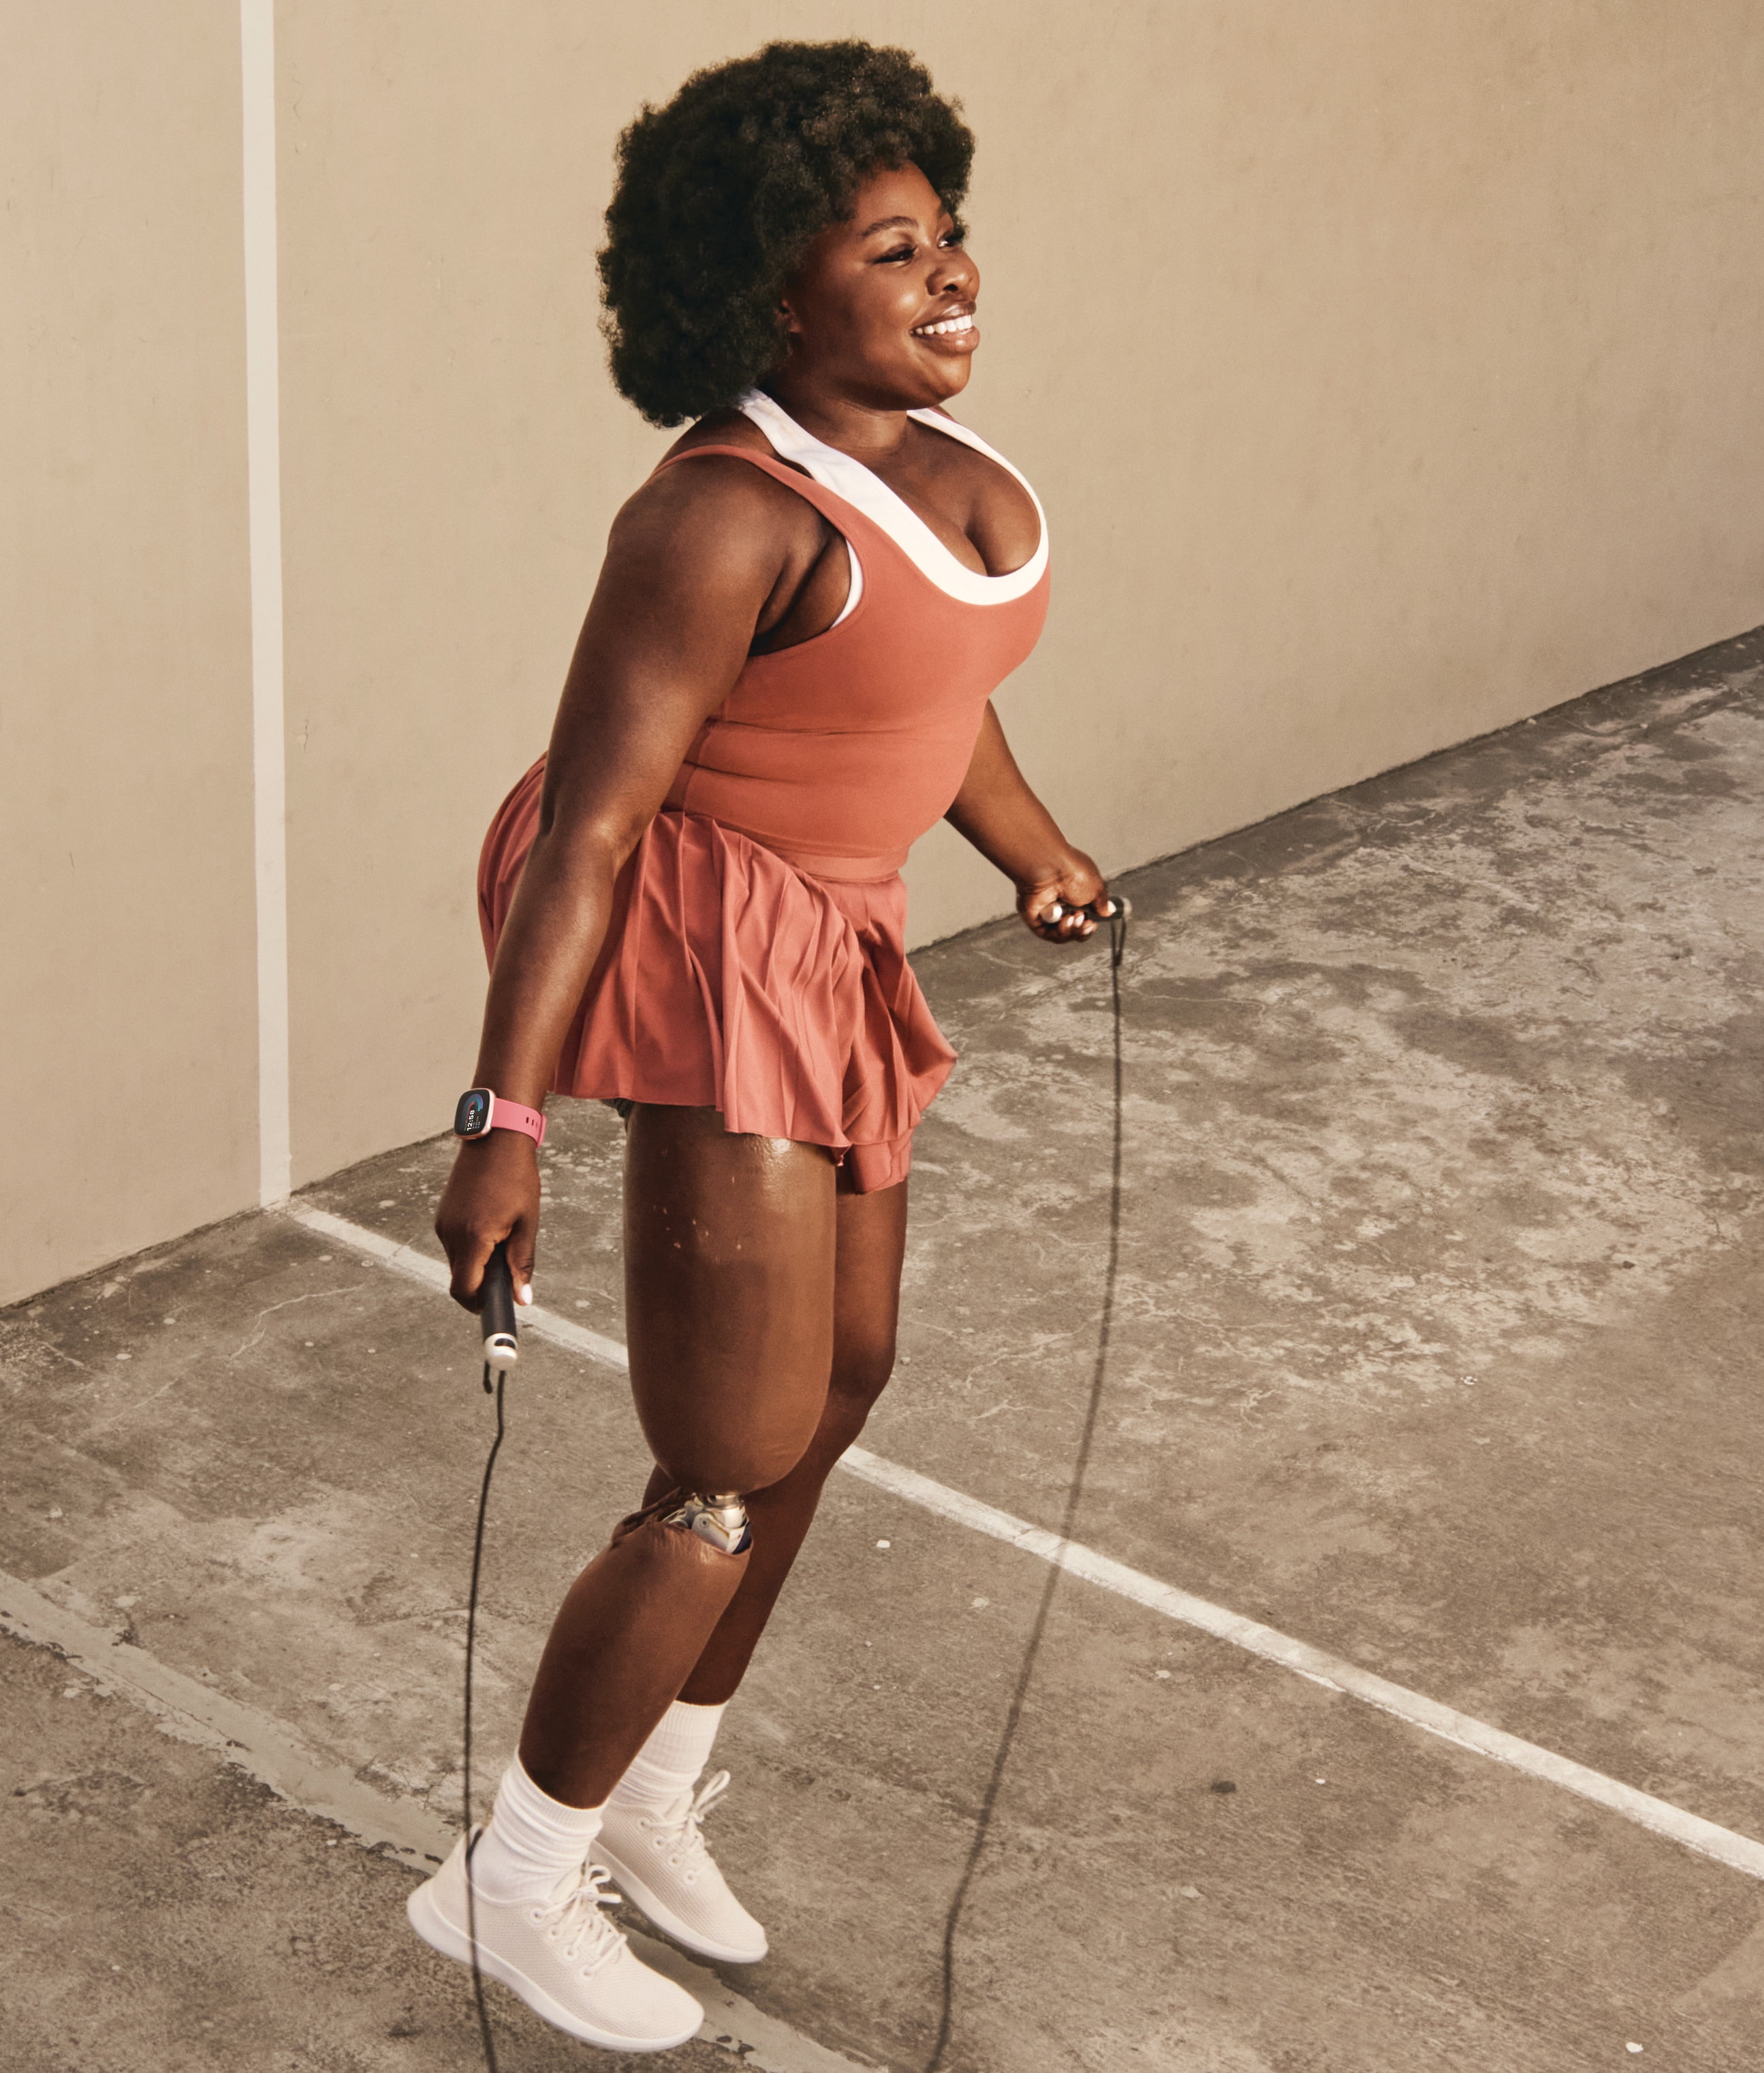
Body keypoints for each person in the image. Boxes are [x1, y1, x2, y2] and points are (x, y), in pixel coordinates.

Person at [417, 40, 1112, 2053]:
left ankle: (648, 1793)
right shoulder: (719, 519)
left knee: (838, 1379)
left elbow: (928, 685)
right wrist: (505, 1119)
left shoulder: (935, 474)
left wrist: (1032, 850)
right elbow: (590, 827)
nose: (949, 272)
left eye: (947, 232)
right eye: (889, 251)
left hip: (840, 932)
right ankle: (509, 1878)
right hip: (721, 944)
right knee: (722, 1460)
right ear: (772, 301)